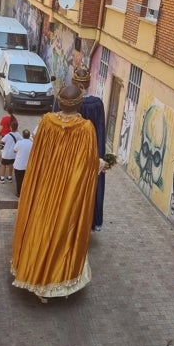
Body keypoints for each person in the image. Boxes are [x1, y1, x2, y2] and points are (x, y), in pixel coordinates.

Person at [11, 85, 104, 300]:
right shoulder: (85, 128)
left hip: (45, 186)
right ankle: (56, 281)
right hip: (68, 191)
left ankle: (34, 275)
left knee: (41, 225)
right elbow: (88, 164)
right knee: (63, 230)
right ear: (79, 103)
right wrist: (101, 165)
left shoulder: (46, 122)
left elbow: (37, 156)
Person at [72, 66, 107, 232]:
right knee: (91, 186)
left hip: (71, 155)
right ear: (88, 82)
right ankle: (89, 220)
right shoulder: (96, 104)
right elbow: (100, 132)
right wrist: (100, 156)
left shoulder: (65, 101)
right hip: (90, 155)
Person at [13, 129, 33, 197]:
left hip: (18, 165)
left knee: (18, 179)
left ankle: (19, 192)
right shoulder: (32, 144)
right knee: (26, 179)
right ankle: (24, 191)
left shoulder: (19, 142)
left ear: (23, 135)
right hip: (27, 165)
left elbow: (15, 150)